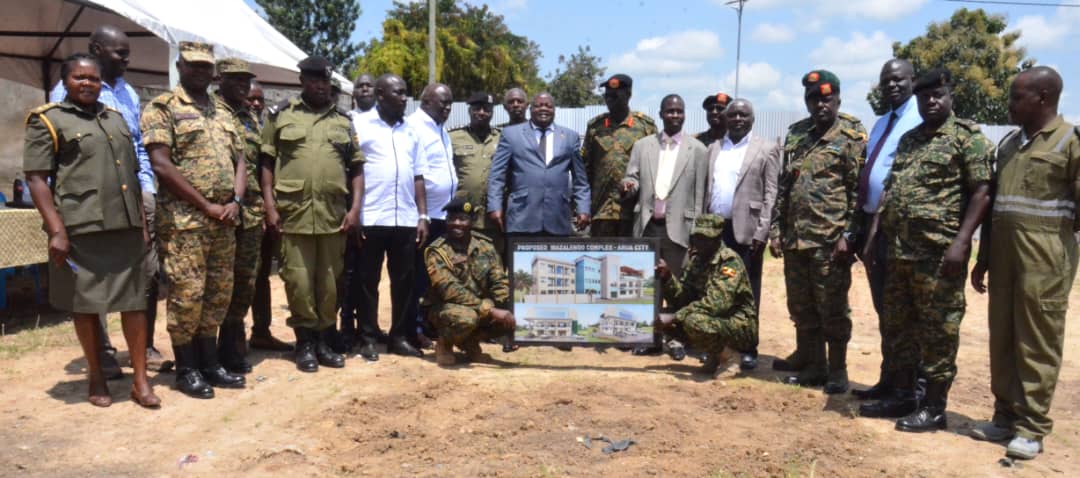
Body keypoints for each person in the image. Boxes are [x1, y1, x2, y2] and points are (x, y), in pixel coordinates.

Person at [861, 68, 993, 432]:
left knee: (938, 331)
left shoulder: (968, 139)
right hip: (900, 251)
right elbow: (891, 190)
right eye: (924, 97)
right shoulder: (911, 139)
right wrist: (875, 234)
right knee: (900, 327)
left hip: (938, 255)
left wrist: (962, 242)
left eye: (938, 95)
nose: (931, 102)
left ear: (951, 97)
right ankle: (902, 396)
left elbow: (982, 192)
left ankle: (934, 407)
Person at [25, 53, 159, 408]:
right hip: (80, 226)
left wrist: (143, 225)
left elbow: (130, 172)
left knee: (135, 303)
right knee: (85, 305)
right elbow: (37, 178)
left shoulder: (114, 119)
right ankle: (96, 375)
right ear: (64, 82)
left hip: (125, 225)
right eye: (79, 78)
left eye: (94, 79)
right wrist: (56, 230)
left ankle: (140, 381)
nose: (87, 84)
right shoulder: (49, 120)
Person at [968, 66, 1079, 460]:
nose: (1010, 104)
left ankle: (1032, 427)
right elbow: (998, 205)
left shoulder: (1070, 143)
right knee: (1003, 340)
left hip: (1045, 263)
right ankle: (1004, 416)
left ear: (1044, 98)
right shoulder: (1010, 145)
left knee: (1036, 344)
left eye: (1017, 97)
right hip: (1004, 258)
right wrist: (983, 257)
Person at [48, 25, 166, 376]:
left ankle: (143, 345)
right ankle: (102, 354)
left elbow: (138, 146)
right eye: (120, 53)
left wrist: (148, 189)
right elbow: (60, 158)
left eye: (127, 52)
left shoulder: (127, 93)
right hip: (89, 202)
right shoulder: (65, 93)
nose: (127, 59)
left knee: (146, 274)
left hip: (135, 196)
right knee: (91, 278)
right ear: (97, 48)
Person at [141, 41, 247, 398]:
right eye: (194, 65)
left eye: (206, 66)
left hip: (224, 219)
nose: (201, 71)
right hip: (186, 222)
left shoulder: (224, 112)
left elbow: (241, 160)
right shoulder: (163, 108)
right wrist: (206, 206)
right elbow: (161, 164)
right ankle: (187, 369)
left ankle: (210, 363)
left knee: (218, 293)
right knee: (188, 295)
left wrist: (235, 199)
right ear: (180, 65)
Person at [260, 56, 363, 373]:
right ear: (302, 80)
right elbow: (265, 164)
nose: (320, 85)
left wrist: (356, 208)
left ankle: (323, 341)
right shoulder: (281, 116)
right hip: (294, 216)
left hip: (333, 217)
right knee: (299, 283)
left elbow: (357, 168)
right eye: (314, 79)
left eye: (325, 80)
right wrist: (269, 206)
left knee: (330, 285)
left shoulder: (343, 121)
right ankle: (304, 343)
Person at [769, 70, 865, 393]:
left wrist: (848, 236)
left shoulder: (851, 136)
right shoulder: (797, 134)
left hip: (829, 240)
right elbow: (785, 186)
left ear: (838, 99)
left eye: (827, 98)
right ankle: (813, 364)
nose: (821, 104)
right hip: (796, 238)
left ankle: (837, 371)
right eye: (814, 98)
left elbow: (858, 192)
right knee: (802, 305)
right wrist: (776, 229)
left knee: (833, 308)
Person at [851, 59, 921, 401]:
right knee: (886, 310)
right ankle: (890, 379)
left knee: (905, 313)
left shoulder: (920, 118)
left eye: (898, 79)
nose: (892, 85)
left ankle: (911, 389)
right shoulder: (880, 123)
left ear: (913, 81)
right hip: (872, 226)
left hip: (900, 230)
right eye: (886, 81)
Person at [351, 74, 429, 361]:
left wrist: (422, 215)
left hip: (406, 219)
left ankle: (398, 337)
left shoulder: (411, 131)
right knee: (367, 282)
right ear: (381, 95)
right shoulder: (359, 125)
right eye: (398, 92)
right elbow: (352, 171)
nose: (404, 98)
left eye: (406, 92)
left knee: (404, 283)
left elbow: (418, 174)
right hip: (371, 216)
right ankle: (368, 337)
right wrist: (354, 211)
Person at [704, 98, 780, 370]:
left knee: (746, 292)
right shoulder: (713, 148)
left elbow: (772, 193)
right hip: (715, 230)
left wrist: (764, 230)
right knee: (716, 290)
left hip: (747, 230)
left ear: (752, 119)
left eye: (743, 115)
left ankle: (747, 347)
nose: (737, 119)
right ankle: (718, 347)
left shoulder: (767, 148)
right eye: (733, 115)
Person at [657, 214, 757, 376]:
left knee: (692, 321)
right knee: (667, 318)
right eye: (697, 238)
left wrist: (676, 316)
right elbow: (684, 298)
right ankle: (716, 354)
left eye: (706, 238)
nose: (700, 243)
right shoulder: (697, 261)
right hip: (716, 321)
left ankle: (731, 358)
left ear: (718, 238)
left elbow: (716, 304)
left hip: (740, 326)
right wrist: (668, 277)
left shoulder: (729, 262)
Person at [623, 94, 708, 276]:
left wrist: (697, 231)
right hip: (647, 227)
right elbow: (632, 177)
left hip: (679, 232)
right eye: (670, 111)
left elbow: (700, 195)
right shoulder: (642, 146)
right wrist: (629, 185)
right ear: (661, 114)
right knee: (646, 288)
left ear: (684, 115)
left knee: (677, 289)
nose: (675, 115)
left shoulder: (698, 149)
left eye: (679, 111)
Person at [425, 197, 515, 366]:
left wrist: (505, 302)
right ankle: (444, 344)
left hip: (480, 306)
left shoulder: (485, 245)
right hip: (446, 308)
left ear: (472, 221)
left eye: (462, 219)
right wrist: (490, 310)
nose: (457, 224)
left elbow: (499, 279)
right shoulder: (437, 251)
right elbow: (450, 290)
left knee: (512, 315)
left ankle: (470, 343)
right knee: (466, 318)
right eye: (452, 219)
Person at [487, 92, 591, 237]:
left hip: (557, 218)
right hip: (522, 218)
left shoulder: (570, 137)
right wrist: (494, 206)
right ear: (530, 109)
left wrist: (583, 208)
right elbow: (497, 175)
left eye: (548, 106)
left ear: (554, 110)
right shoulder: (511, 134)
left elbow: (580, 180)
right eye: (539, 105)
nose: (544, 109)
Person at [214, 58, 261, 374]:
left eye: (246, 80)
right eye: (236, 79)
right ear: (220, 79)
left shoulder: (251, 117)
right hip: (219, 212)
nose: (243, 86)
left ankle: (233, 343)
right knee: (217, 282)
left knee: (245, 280)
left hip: (251, 212)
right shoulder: (211, 112)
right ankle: (209, 350)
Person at [407, 83, 457, 349]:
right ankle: (413, 330)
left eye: (450, 103)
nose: (448, 108)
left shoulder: (440, 128)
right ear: (426, 101)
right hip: (424, 217)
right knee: (417, 277)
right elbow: (416, 175)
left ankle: (426, 324)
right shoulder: (414, 127)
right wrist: (422, 214)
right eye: (443, 103)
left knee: (433, 277)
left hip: (442, 214)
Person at [246, 78, 292, 352]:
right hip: (248, 214)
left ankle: (261, 330)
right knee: (247, 276)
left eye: (260, 99)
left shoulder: (268, 128)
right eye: (251, 98)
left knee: (265, 276)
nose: (255, 103)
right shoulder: (235, 128)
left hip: (273, 213)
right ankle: (232, 338)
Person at [581, 74, 657, 237]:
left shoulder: (645, 126)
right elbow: (585, 168)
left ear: (628, 95)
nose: (610, 100)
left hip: (634, 210)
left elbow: (655, 167)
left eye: (615, 96)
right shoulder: (595, 127)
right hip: (602, 211)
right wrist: (583, 206)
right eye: (607, 96)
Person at [450, 92, 504, 254]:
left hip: (493, 217)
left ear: (492, 112)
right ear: (469, 111)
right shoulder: (454, 137)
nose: (481, 112)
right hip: (463, 216)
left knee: (495, 265)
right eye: (477, 108)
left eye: (486, 109)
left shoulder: (502, 138)